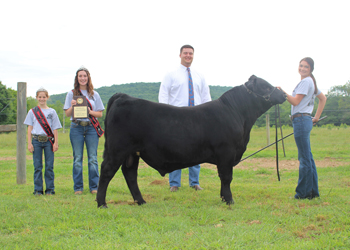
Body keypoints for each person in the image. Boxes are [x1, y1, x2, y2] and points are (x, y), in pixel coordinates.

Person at [158, 44, 212, 192]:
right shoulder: (171, 74)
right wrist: (164, 116)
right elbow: (163, 95)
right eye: (185, 53)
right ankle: (174, 183)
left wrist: (209, 117)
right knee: (175, 149)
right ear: (180, 55)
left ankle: (195, 182)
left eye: (191, 53)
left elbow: (206, 97)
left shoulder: (199, 76)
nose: (188, 56)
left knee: (197, 149)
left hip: (197, 118)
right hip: (176, 117)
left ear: (193, 56)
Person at [281, 57, 327, 199]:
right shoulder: (311, 81)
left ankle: (303, 193)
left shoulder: (305, 82)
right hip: (305, 119)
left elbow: (295, 101)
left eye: (306, 67)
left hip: (301, 120)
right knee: (308, 157)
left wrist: (282, 93)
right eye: (301, 66)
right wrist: (316, 117)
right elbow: (323, 98)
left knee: (304, 159)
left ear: (311, 69)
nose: (302, 68)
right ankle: (312, 192)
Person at [64, 66, 105, 195]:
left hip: (91, 128)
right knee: (77, 158)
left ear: (88, 78)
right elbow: (67, 114)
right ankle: (78, 188)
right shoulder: (71, 93)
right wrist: (72, 106)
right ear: (77, 78)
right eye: (80, 76)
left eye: (85, 76)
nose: (83, 78)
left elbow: (100, 114)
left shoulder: (94, 94)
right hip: (76, 127)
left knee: (93, 158)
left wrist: (89, 112)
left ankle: (94, 187)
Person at [24, 88, 62, 196]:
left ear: (47, 97)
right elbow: (29, 128)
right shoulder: (32, 111)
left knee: (49, 166)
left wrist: (56, 142)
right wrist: (29, 143)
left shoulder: (52, 112)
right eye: (39, 97)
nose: (42, 99)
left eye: (44, 97)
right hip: (36, 140)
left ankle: (50, 189)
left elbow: (55, 128)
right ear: (37, 98)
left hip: (48, 141)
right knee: (37, 166)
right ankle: (38, 190)